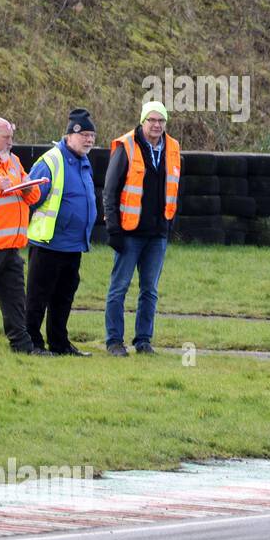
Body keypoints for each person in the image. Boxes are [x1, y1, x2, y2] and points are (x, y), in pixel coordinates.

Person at [103, 101, 181, 356]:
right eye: (152, 120)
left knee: (150, 291)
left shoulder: (173, 147)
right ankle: (114, 341)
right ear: (142, 121)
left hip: (157, 234)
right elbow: (110, 191)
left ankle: (143, 341)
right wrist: (113, 229)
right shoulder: (126, 146)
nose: (157, 125)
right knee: (119, 288)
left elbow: (174, 188)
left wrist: (169, 225)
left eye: (161, 121)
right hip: (129, 233)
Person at [25, 108, 98, 357]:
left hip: (73, 245)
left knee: (63, 298)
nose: (89, 140)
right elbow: (30, 197)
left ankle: (59, 343)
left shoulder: (83, 162)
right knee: (37, 297)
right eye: (84, 135)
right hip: (48, 243)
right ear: (70, 135)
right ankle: (32, 342)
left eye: (92, 136)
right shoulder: (51, 161)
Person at [0, 116, 47, 355]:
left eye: (11, 137)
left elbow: (33, 198)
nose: (11, 142)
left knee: (15, 301)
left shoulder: (13, 161)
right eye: (6, 137)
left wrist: (28, 187)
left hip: (12, 247)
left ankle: (23, 347)